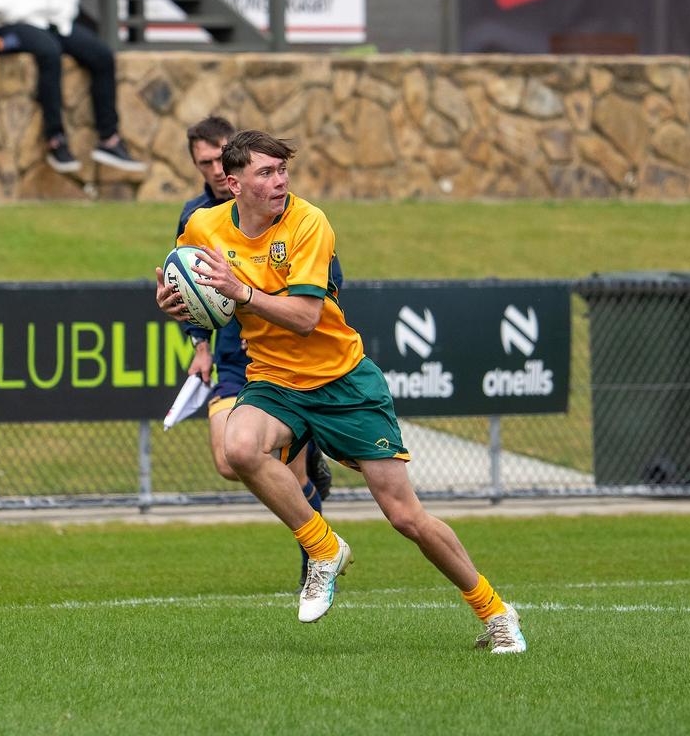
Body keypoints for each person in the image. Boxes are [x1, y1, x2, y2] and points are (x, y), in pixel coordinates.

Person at [155, 130, 526, 654]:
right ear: (233, 184)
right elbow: (181, 277)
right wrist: (172, 298)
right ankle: (323, 547)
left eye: (283, 170)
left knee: (405, 517)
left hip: (342, 381)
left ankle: (495, 611)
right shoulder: (202, 224)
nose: (280, 181)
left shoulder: (308, 223)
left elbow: (306, 318)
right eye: (266, 172)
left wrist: (242, 293)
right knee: (238, 449)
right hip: (275, 379)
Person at [179, 116, 336, 588]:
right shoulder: (197, 218)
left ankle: (316, 549)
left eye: (216, 157)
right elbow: (184, 283)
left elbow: (327, 286)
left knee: (268, 457)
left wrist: (263, 302)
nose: (210, 168)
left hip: (289, 359)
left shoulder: (292, 216)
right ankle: (315, 502)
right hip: (232, 355)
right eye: (202, 162)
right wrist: (198, 341)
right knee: (230, 460)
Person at [0, 0, 146, 175]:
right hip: (9, 22)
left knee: (101, 55)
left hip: (56, 22)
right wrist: (8, 9)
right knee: (49, 52)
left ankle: (109, 140)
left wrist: (65, 11)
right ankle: (55, 139)